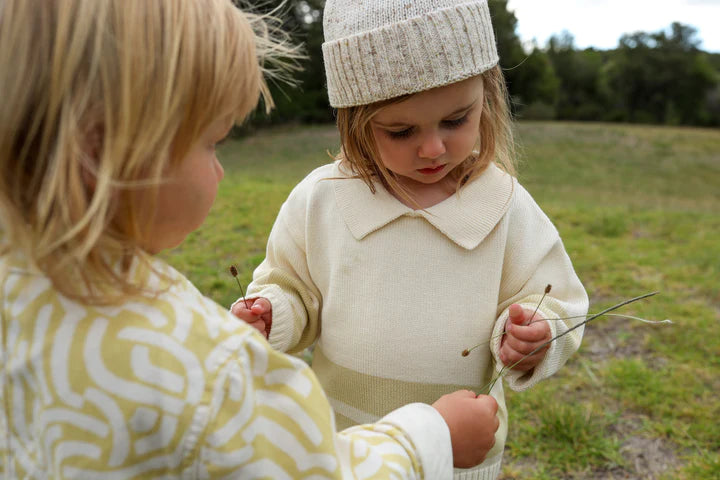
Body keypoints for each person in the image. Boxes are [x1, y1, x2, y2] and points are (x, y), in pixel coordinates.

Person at [0, 0, 502, 478]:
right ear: (100, 156)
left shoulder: (17, 290)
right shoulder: (200, 369)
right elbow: (311, 469)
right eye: (212, 141)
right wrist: (430, 438)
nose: (220, 168)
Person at [231, 0, 590, 478]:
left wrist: (536, 334)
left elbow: (555, 298)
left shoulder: (504, 205)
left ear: (487, 96)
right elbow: (295, 288)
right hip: (347, 445)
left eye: (456, 120)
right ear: (355, 121)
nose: (433, 148)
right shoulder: (323, 200)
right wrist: (272, 312)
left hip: (459, 454)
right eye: (401, 131)